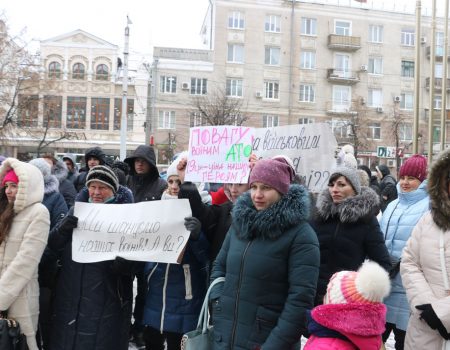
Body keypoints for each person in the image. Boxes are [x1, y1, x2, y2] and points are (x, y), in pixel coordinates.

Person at [210, 158, 320, 349]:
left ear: (282, 190)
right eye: (254, 187)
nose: (257, 195)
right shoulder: (240, 224)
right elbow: (219, 267)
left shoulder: (301, 235)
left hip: (266, 341)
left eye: (266, 188)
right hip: (225, 336)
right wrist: (218, 303)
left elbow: (300, 301)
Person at [47, 165, 136, 350]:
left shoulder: (126, 220)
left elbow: (135, 267)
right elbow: (52, 246)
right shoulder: (76, 212)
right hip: (70, 296)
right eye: (92, 187)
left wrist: (124, 264)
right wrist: (62, 229)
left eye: (102, 187)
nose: (96, 192)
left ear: (113, 190)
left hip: (106, 299)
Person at [142, 155, 209, 350]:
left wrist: (197, 236)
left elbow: (206, 259)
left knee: (176, 344)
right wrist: (149, 269)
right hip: (156, 293)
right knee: (151, 342)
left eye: (178, 182)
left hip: (185, 296)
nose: (173, 186)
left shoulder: (203, 210)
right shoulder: (157, 209)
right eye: (170, 181)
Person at [310, 165, 391, 305]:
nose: (334, 189)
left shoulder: (366, 220)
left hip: (344, 300)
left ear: (354, 189)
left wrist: (357, 289)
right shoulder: (318, 216)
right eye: (331, 184)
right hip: (312, 296)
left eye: (341, 185)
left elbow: (383, 263)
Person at [400, 149, 450, 349]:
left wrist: (442, 312)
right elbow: (410, 260)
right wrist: (425, 305)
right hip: (424, 329)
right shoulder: (428, 220)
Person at [0, 158, 50, 350]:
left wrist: (2, 297)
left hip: (20, 294)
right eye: (7, 185)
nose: (9, 191)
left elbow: (26, 261)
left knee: (18, 342)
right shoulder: (6, 210)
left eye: (14, 186)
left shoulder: (39, 212)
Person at [380, 154, 429, 350]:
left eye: (412, 178)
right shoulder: (392, 205)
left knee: (405, 342)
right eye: (403, 177)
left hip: (410, 289)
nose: (405, 182)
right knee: (375, 341)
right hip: (386, 286)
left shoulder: (429, 206)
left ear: (423, 180)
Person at [124, 145, 167, 346]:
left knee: (144, 290)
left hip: (149, 249)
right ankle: (124, 326)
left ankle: (139, 328)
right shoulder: (126, 182)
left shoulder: (161, 186)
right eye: (136, 160)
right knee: (123, 288)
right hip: (125, 246)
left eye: (143, 160)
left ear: (151, 164)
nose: (139, 163)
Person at [304, 261, 391, 350]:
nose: (323, 296)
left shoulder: (326, 345)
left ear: (335, 305)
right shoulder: (373, 340)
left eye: (327, 292)